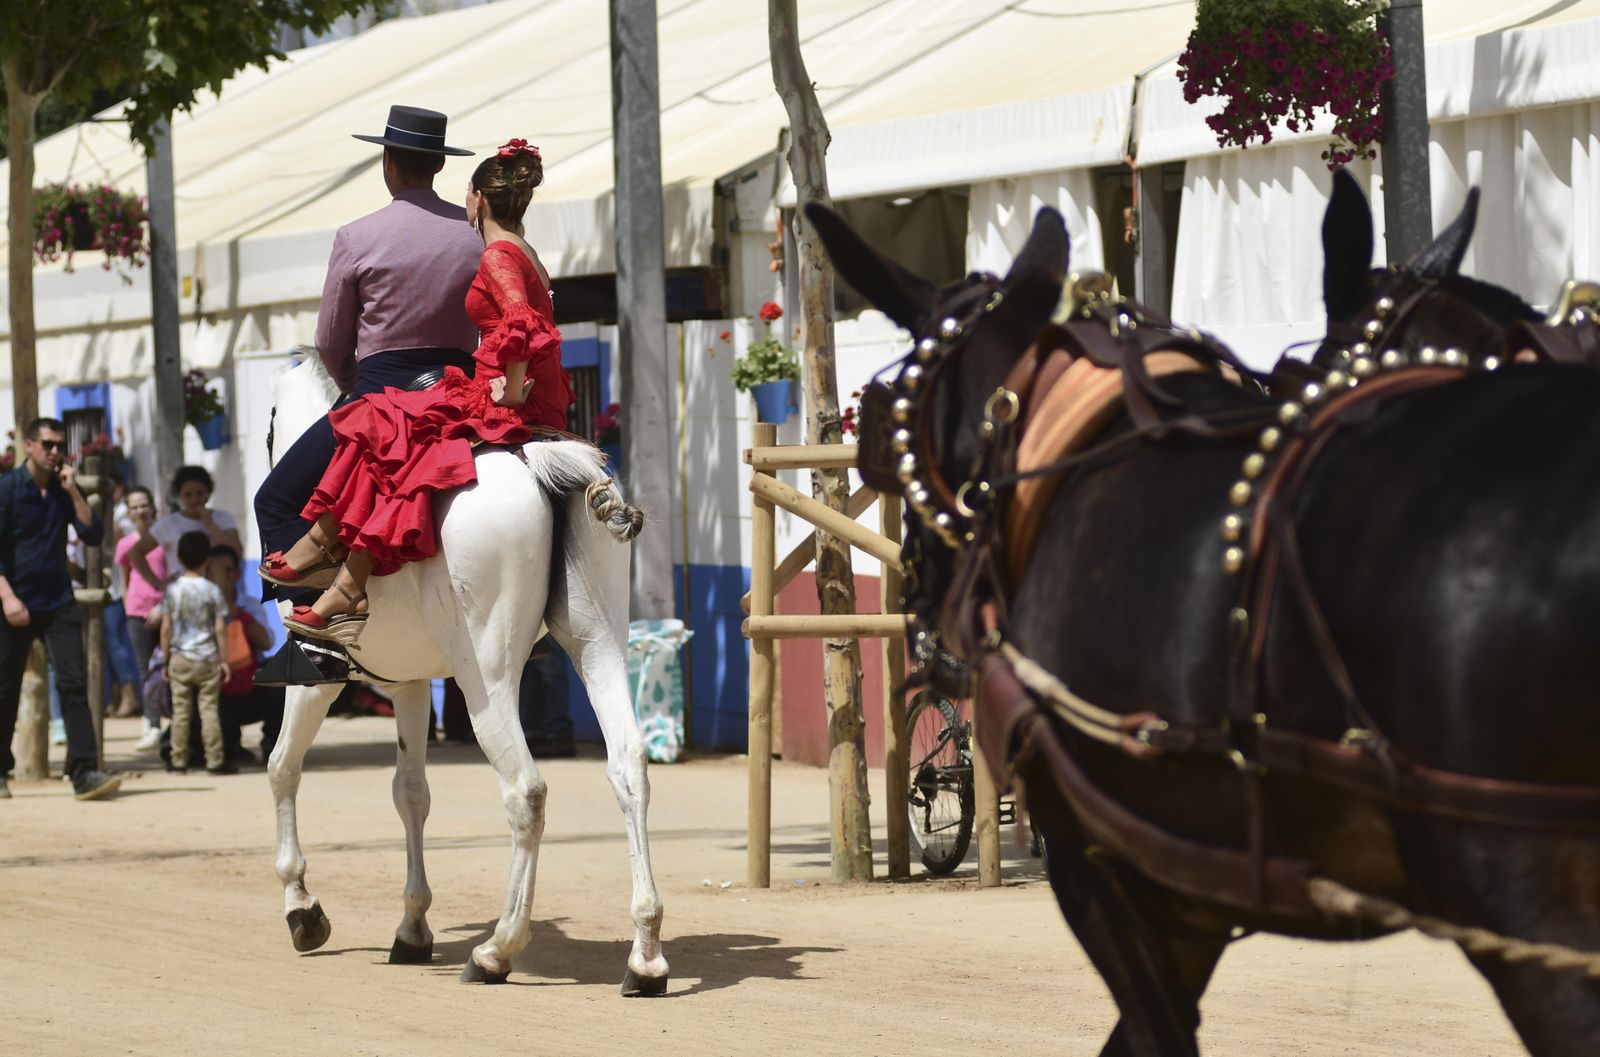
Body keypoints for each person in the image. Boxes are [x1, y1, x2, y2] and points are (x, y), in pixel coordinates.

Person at [268, 138, 575, 646]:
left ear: (476, 197)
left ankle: (325, 594)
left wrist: (514, 386)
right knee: (401, 431)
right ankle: (342, 576)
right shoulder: (517, 248)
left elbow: (520, 322)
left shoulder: (493, 251)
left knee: (375, 431)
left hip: (495, 394)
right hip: (518, 388)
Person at [254, 104, 482, 606]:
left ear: (388, 163)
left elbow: (331, 341)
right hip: (459, 396)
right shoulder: (475, 234)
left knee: (273, 499)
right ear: (440, 165)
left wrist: (353, 389)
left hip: (379, 394)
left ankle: (314, 629)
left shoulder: (357, 237)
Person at [0, 418, 120, 800]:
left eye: (59, 446)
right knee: (5, 689)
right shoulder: (6, 489)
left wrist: (73, 493)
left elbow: (92, 534)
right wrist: (7, 598)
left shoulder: (62, 490)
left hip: (57, 602)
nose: (55, 452)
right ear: (29, 446)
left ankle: (84, 772)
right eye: (48, 445)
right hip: (13, 603)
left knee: (73, 683)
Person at [160, 531, 232, 775]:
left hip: (180, 657)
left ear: (179, 558)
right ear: (207, 560)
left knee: (180, 712)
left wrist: (165, 659)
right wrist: (225, 660)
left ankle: (178, 760)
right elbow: (220, 627)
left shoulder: (172, 590)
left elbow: (166, 627)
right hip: (208, 657)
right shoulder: (212, 590)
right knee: (209, 710)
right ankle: (215, 760)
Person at [207, 544, 280, 764]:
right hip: (215, 684)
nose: (222, 577)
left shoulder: (249, 604)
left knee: (278, 676)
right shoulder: (201, 602)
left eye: (227, 570)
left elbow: (267, 642)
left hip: (249, 684)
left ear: (237, 574)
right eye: (215, 570)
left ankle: (273, 749)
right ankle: (227, 749)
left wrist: (236, 614)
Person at [116, 485, 167, 749]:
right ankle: (151, 722)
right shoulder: (125, 543)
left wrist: (163, 606)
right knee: (144, 667)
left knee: (171, 665)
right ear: (129, 512)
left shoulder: (164, 536)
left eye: (144, 504)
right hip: (137, 612)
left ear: (153, 506)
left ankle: (176, 722)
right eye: (134, 506)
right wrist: (128, 607)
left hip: (166, 611)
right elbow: (124, 579)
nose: (140, 510)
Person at [132, 466, 243, 584]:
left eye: (200, 493)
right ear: (179, 496)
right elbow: (136, 551)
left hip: (219, 591)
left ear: (208, 493)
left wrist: (211, 526)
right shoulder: (169, 523)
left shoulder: (222, 518)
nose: (194, 499)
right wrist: (157, 583)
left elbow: (237, 551)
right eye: (188, 495)